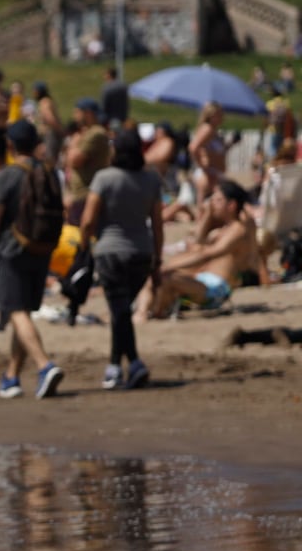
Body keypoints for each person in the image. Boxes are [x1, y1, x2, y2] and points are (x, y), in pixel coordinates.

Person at [80, 127, 165, 389]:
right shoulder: (151, 180)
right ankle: (120, 366)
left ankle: (129, 364)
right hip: (141, 252)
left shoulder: (104, 179)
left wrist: (85, 248)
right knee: (121, 312)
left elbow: (87, 221)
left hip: (110, 252)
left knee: (119, 312)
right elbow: (158, 226)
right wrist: (157, 262)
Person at [0, 121, 66, 400]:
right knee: (22, 312)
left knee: (15, 310)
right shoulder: (49, 171)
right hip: (43, 248)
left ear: (10, 145)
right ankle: (11, 377)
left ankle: (45, 366)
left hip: (14, 247)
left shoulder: (8, 175)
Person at [146, 180, 265, 317]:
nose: (213, 203)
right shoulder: (224, 227)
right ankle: (153, 311)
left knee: (164, 277)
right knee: (160, 276)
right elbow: (198, 240)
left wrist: (166, 267)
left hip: (216, 289)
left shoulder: (238, 230)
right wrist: (208, 213)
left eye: (218, 200)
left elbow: (207, 254)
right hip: (202, 280)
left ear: (231, 205)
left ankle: (153, 313)